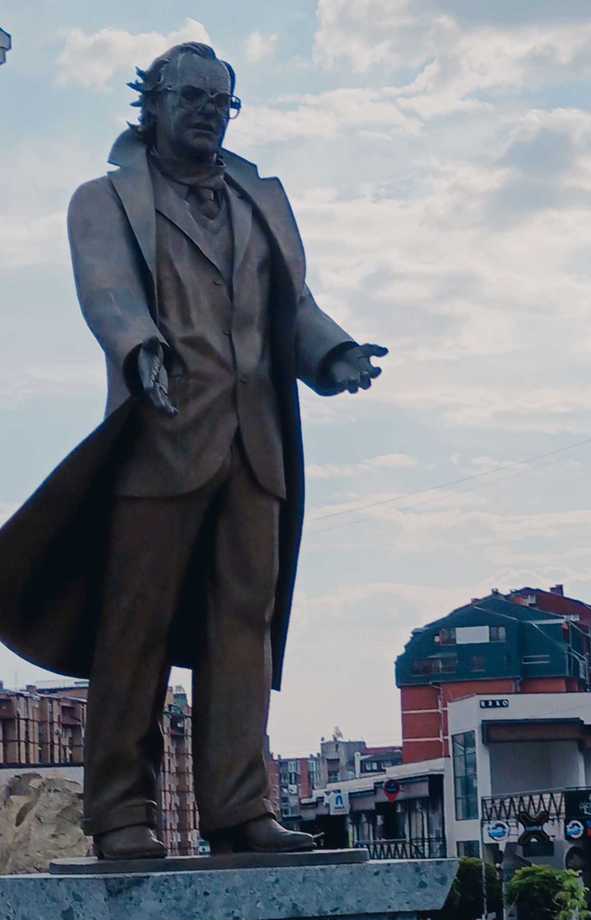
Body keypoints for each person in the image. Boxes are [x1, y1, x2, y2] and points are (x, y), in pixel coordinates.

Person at [0, 41, 387, 860]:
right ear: (152, 102)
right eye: (193, 97)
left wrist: (334, 353)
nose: (210, 112)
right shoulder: (105, 198)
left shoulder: (259, 200)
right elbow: (108, 290)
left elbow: (293, 304)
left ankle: (240, 810)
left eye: (223, 100)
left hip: (256, 445)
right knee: (133, 629)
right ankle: (122, 813)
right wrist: (138, 347)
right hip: (162, 439)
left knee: (243, 627)